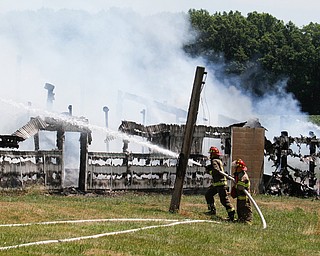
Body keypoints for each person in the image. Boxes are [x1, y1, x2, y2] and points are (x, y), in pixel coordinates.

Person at [204, 146, 235, 221]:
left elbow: (216, 171)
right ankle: (212, 210)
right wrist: (209, 167)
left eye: (211, 154)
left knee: (224, 200)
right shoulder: (218, 160)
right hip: (217, 184)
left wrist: (209, 171)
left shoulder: (214, 161)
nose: (210, 155)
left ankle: (231, 215)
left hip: (220, 184)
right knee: (208, 194)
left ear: (213, 154)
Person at [231, 158, 253, 224]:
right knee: (239, 209)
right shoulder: (239, 174)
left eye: (236, 167)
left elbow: (240, 187)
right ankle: (240, 219)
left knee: (245, 209)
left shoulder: (243, 176)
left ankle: (248, 221)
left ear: (239, 168)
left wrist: (235, 186)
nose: (235, 168)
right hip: (240, 196)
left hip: (244, 197)